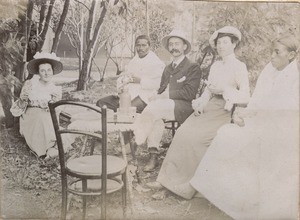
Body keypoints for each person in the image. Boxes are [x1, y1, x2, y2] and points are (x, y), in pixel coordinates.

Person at [187, 34, 299, 219]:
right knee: (225, 134)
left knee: (250, 143)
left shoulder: (295, 77)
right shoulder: (270, 69)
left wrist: (254, 116)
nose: (271, 56)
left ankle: (254, 204)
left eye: (277, 52)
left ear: (291, 55)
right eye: (271, 51)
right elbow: (257, 101)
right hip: (261, 123)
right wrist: (244, 115)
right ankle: (227, 197)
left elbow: (286, 110)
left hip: (284, 130)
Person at [146, 26, 250, 198]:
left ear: (233, 45)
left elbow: (245, 96)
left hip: (224, 112)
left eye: (226, 42)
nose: (222, 46)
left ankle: (183, 186)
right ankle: (165, 181)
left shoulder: (239, 66)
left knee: (196, 139)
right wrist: (200, 103)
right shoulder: (216, 66)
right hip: (208, 107)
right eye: (219, 43)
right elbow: (208, 90)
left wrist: (224, 89)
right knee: (182, 133)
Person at [133, 29, 201, 172]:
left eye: (177, 44)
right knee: (155, 117)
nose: (174, 47)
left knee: (154, 109)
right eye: (171, 44)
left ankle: (137, 140)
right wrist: (155, 94)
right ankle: (153, 155)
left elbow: (189, 93)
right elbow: (161, 89)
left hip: (183, 106)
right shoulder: (168, 68)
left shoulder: (192, 67)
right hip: (164, 106)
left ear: (184, 47)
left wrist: (163, 96)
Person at [10, 52, 63, 158]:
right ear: (38, 72)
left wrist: (50, 106)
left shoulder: (55, 89)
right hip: (31, 116)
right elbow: (20, 107)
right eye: (43, 70)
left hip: (47, 116)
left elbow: (56, 111)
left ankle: (52, 145)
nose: (46, 73)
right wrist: (23, 99)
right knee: (40, 117)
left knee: (47, 119)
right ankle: (43, 149)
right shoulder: (30, 85)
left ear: (52, 71)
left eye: (49, 70)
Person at [96, 35, 165, 113]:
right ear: (135, 46)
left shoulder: (156, 62)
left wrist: (141, 81)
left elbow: (158, 84)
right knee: (101, 103)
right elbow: (124, 76)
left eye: (144, 45)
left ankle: (125, 113)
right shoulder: (134, 60)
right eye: (138, 45)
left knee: (127, 110)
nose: (141, 48)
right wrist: (121, 87)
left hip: (145, 96)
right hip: (128, 94)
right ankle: (120, 111)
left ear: (149, 46)